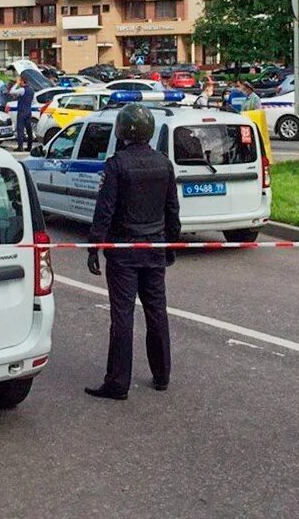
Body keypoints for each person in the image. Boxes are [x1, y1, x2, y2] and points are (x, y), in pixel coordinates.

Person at [85, 103, 180, 400]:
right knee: (157, 311)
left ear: (123, 131)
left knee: (123, 316)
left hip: (123, 251)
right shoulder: (164, 163)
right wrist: (171, 243)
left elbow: (105, 209)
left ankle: (117, 382)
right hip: (154, 246)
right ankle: (162, 374)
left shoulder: (116, 164)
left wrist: (94, 245)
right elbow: (172, 210)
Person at [11, 71, 36, 152]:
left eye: (20, 81)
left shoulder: (22, 89)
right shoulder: (31, 90)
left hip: (22, 111)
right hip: (28, 111)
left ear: (22, 81)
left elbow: (11, 91)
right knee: (29, 130)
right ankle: (29, 146)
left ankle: (20, 147)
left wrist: (16, 84)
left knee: (20, 129)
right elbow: (34, 101)